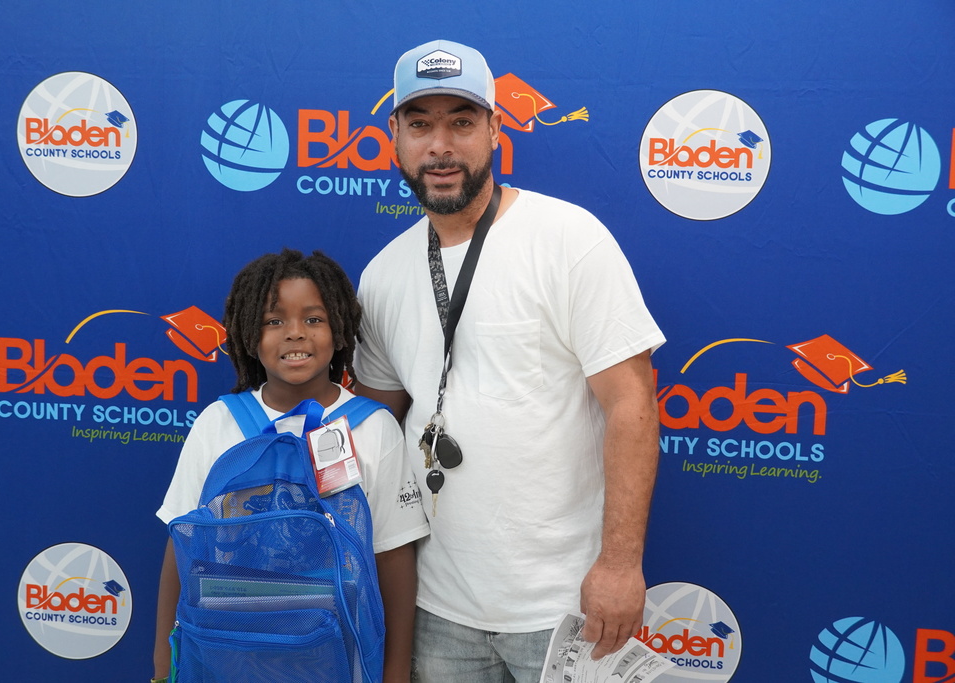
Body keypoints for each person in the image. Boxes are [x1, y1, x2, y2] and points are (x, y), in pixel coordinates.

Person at [352, 40, 666, 682]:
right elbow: (377, 425)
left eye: (462, 122)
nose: (440, 146)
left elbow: (632, 404)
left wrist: (619, 565)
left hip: (565, 607)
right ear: (395, 138)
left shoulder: (569, 240)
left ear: (495, 129)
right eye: (420, 125)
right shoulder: (383, 274)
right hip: (436, 608)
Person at [152, 249, 430, 683]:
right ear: (246, 334)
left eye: (314, 320)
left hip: (340, 658)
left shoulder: (374, 428)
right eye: (273, 321)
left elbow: (394, 558)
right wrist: (163, 664)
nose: (295, 334)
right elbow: (180, 544)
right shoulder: (218, 422)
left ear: (340, 332)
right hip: (230, 656)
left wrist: (395, 673)